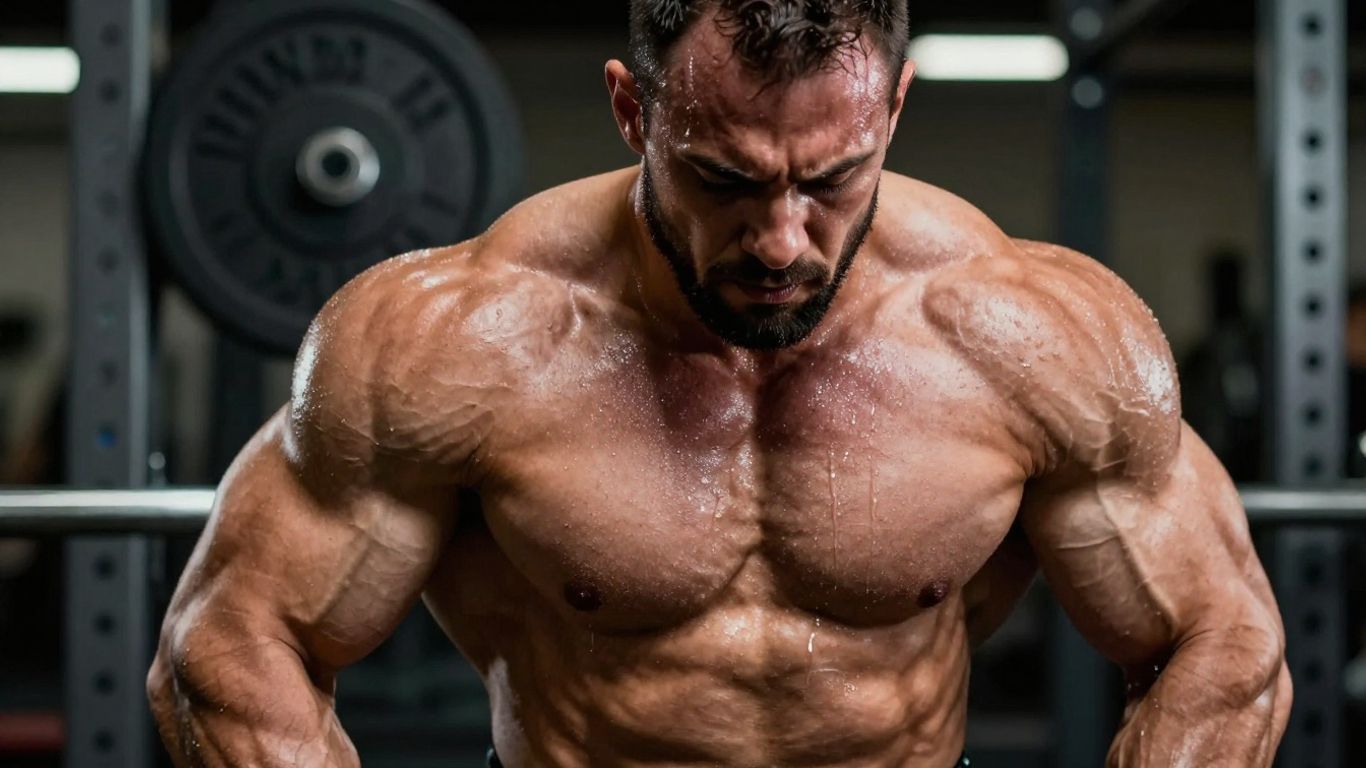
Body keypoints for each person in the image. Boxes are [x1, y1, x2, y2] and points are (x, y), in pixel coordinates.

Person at [146, 1, 1290, 766]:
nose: (783, 239)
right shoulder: (459, 340)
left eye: (834, 176)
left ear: (893, 109)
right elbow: (232, 647)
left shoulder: (1027, 337)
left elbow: (1223, 645)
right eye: (722, 179)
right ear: (631, 111)